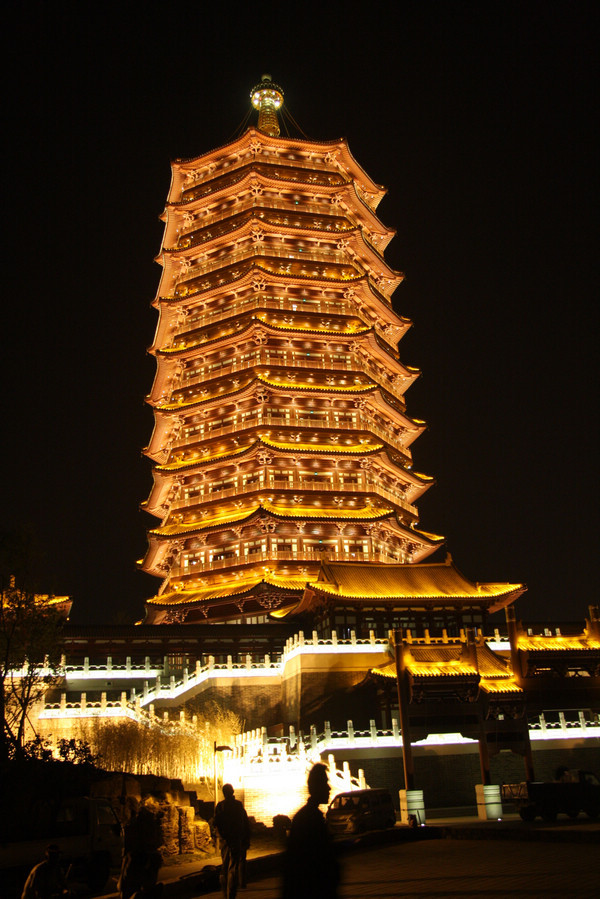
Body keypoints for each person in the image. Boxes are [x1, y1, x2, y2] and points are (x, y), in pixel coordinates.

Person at [282, 763, 339, 899]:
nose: (329, 788)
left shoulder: (311, 816)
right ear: (316, 787)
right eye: (325, 783)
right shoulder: (309, 819)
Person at [117, 804, 163, 899]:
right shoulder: (150, 826)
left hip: (137, 858)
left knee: (128, 887)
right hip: (143, 858)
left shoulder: (133, 826)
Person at [214, 783, 250, 899]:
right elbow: (245, 823)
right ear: (232, 792)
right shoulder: (238, 806)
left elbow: (216, 823)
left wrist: (220, 836)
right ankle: (231, 894)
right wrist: (246, 839)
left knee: (224, 868)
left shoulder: (220, 806)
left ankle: (225, 894)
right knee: (233, 867)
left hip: (225, 841)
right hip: (236, 840)